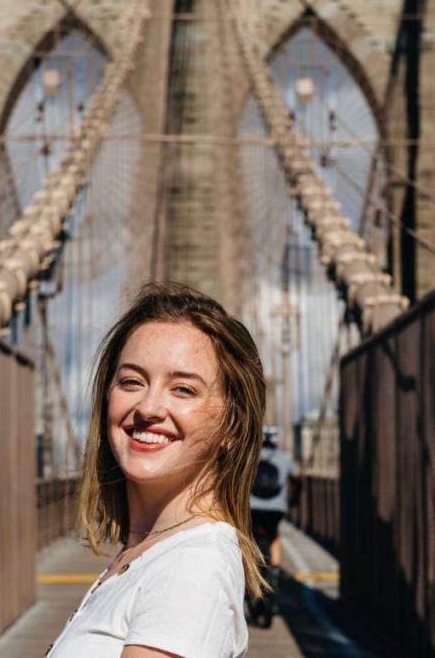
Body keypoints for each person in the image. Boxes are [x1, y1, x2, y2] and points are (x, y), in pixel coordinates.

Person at [46, 282, 267, 658]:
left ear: (233, 426)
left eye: (183, 389)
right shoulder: (144, 557)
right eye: (131, 381)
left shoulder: (192, 567)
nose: (148, 407)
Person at [249, 426, 296, 574]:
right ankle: (275, 570)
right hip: (277, 508)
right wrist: (294, 499)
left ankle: (250, 570)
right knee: (274, 534)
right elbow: (298, 477)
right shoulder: (285, 458)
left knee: (250, 535)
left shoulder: (251, 457)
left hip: (253, 506)